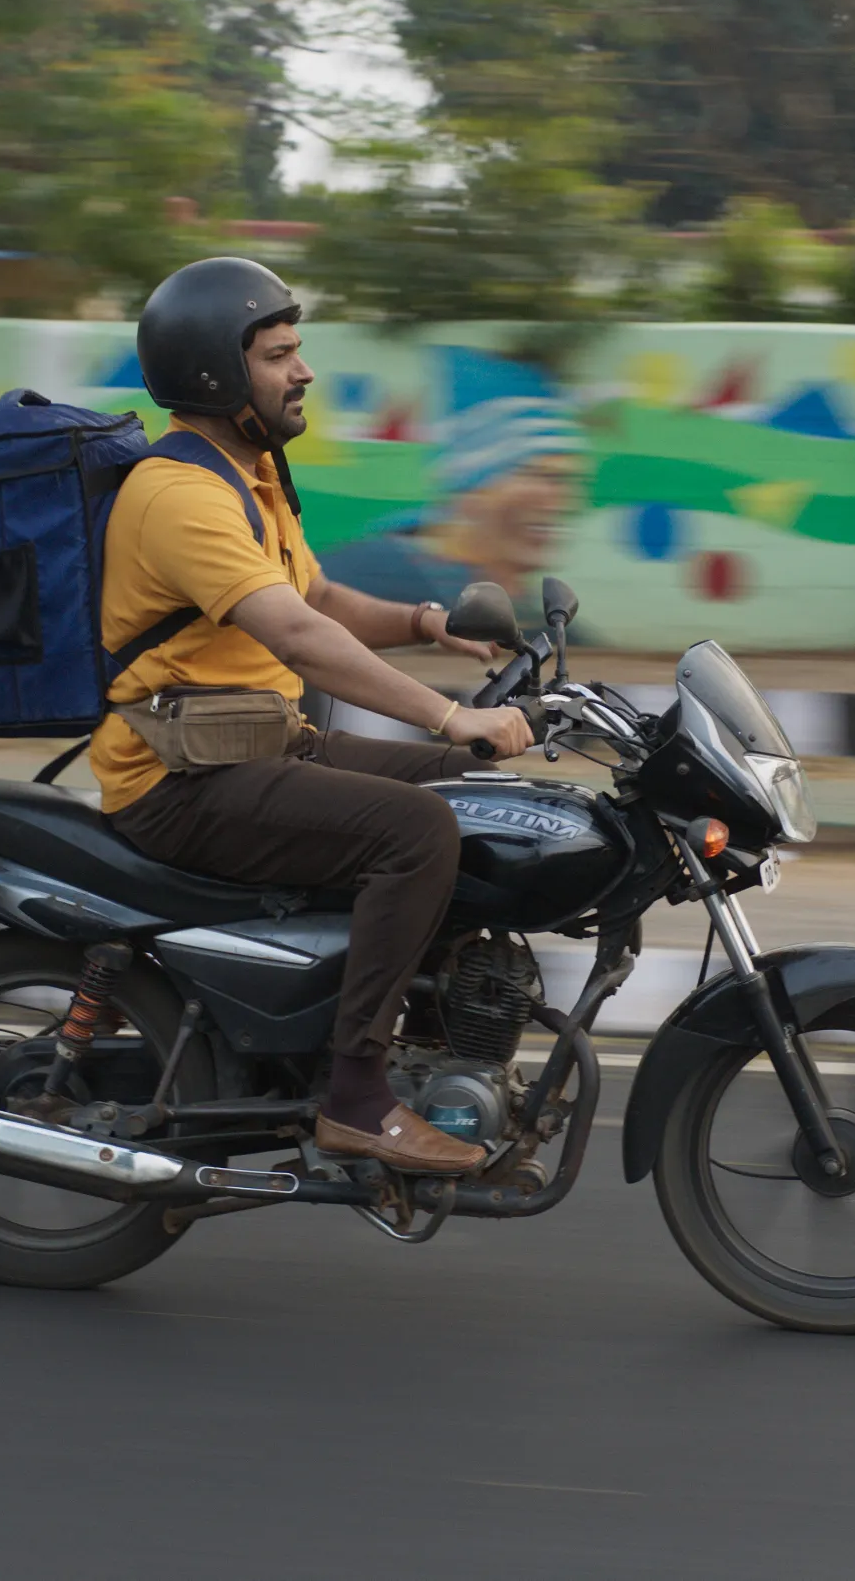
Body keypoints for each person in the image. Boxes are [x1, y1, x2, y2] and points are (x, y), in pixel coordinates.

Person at [90, 258, 532, 1174]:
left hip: (257, 749)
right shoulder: (180, 495)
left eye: (300, 351)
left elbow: (318, 594)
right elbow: (293, 632)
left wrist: (427, 623)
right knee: (415, 830)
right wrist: (449, 717)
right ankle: (358, 1098)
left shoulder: (249, 475)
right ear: (218, 373)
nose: (305, 372)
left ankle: (439, 1044)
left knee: (483, 800)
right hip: (180, 782)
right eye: (281, 354)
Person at [318, 359, 589, 614]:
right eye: (539, 475)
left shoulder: (540, 619)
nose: (562, 500)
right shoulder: (361, 575)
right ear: (470, 493)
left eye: (568, 481)